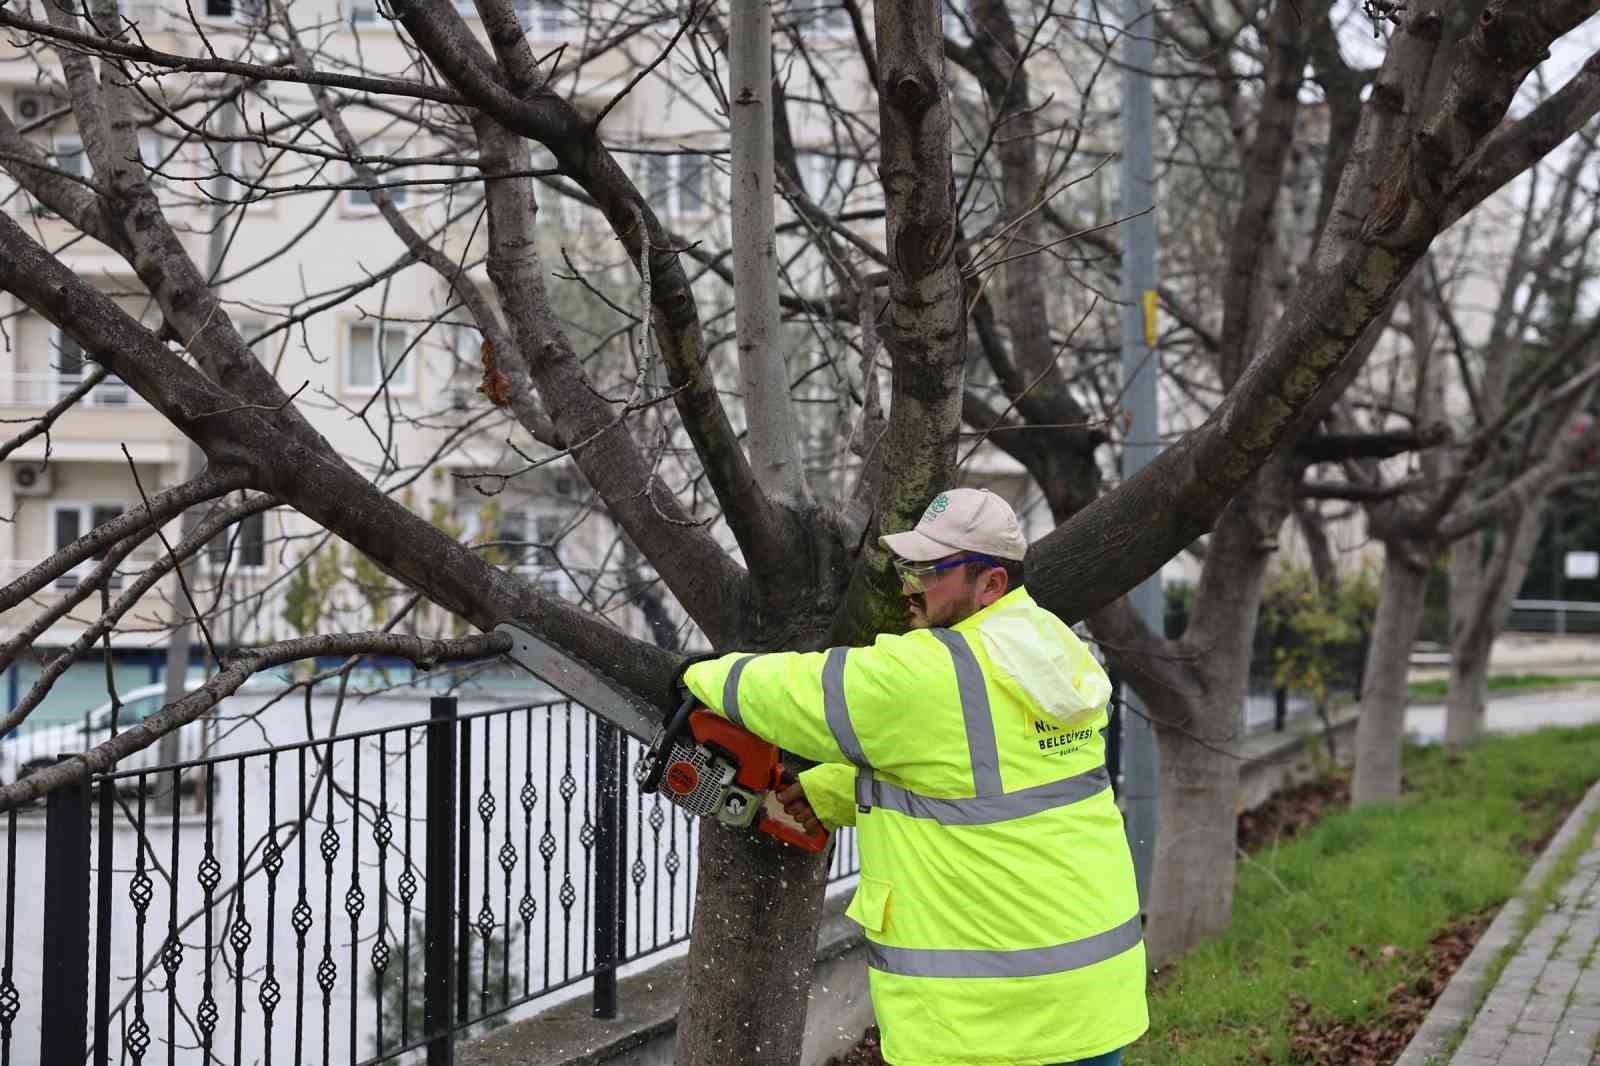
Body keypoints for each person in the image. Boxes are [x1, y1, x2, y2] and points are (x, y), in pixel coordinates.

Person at [679, 487, 1148, 1066]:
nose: (909, 584)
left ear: (991, 583)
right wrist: (838, 790)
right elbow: (988, 779)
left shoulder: (937, 671)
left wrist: (698, 675)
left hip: (995, 1026)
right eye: (911, 565)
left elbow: (803, 694)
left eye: (931, 570)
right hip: (1090, 997)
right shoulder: (1051, 649)